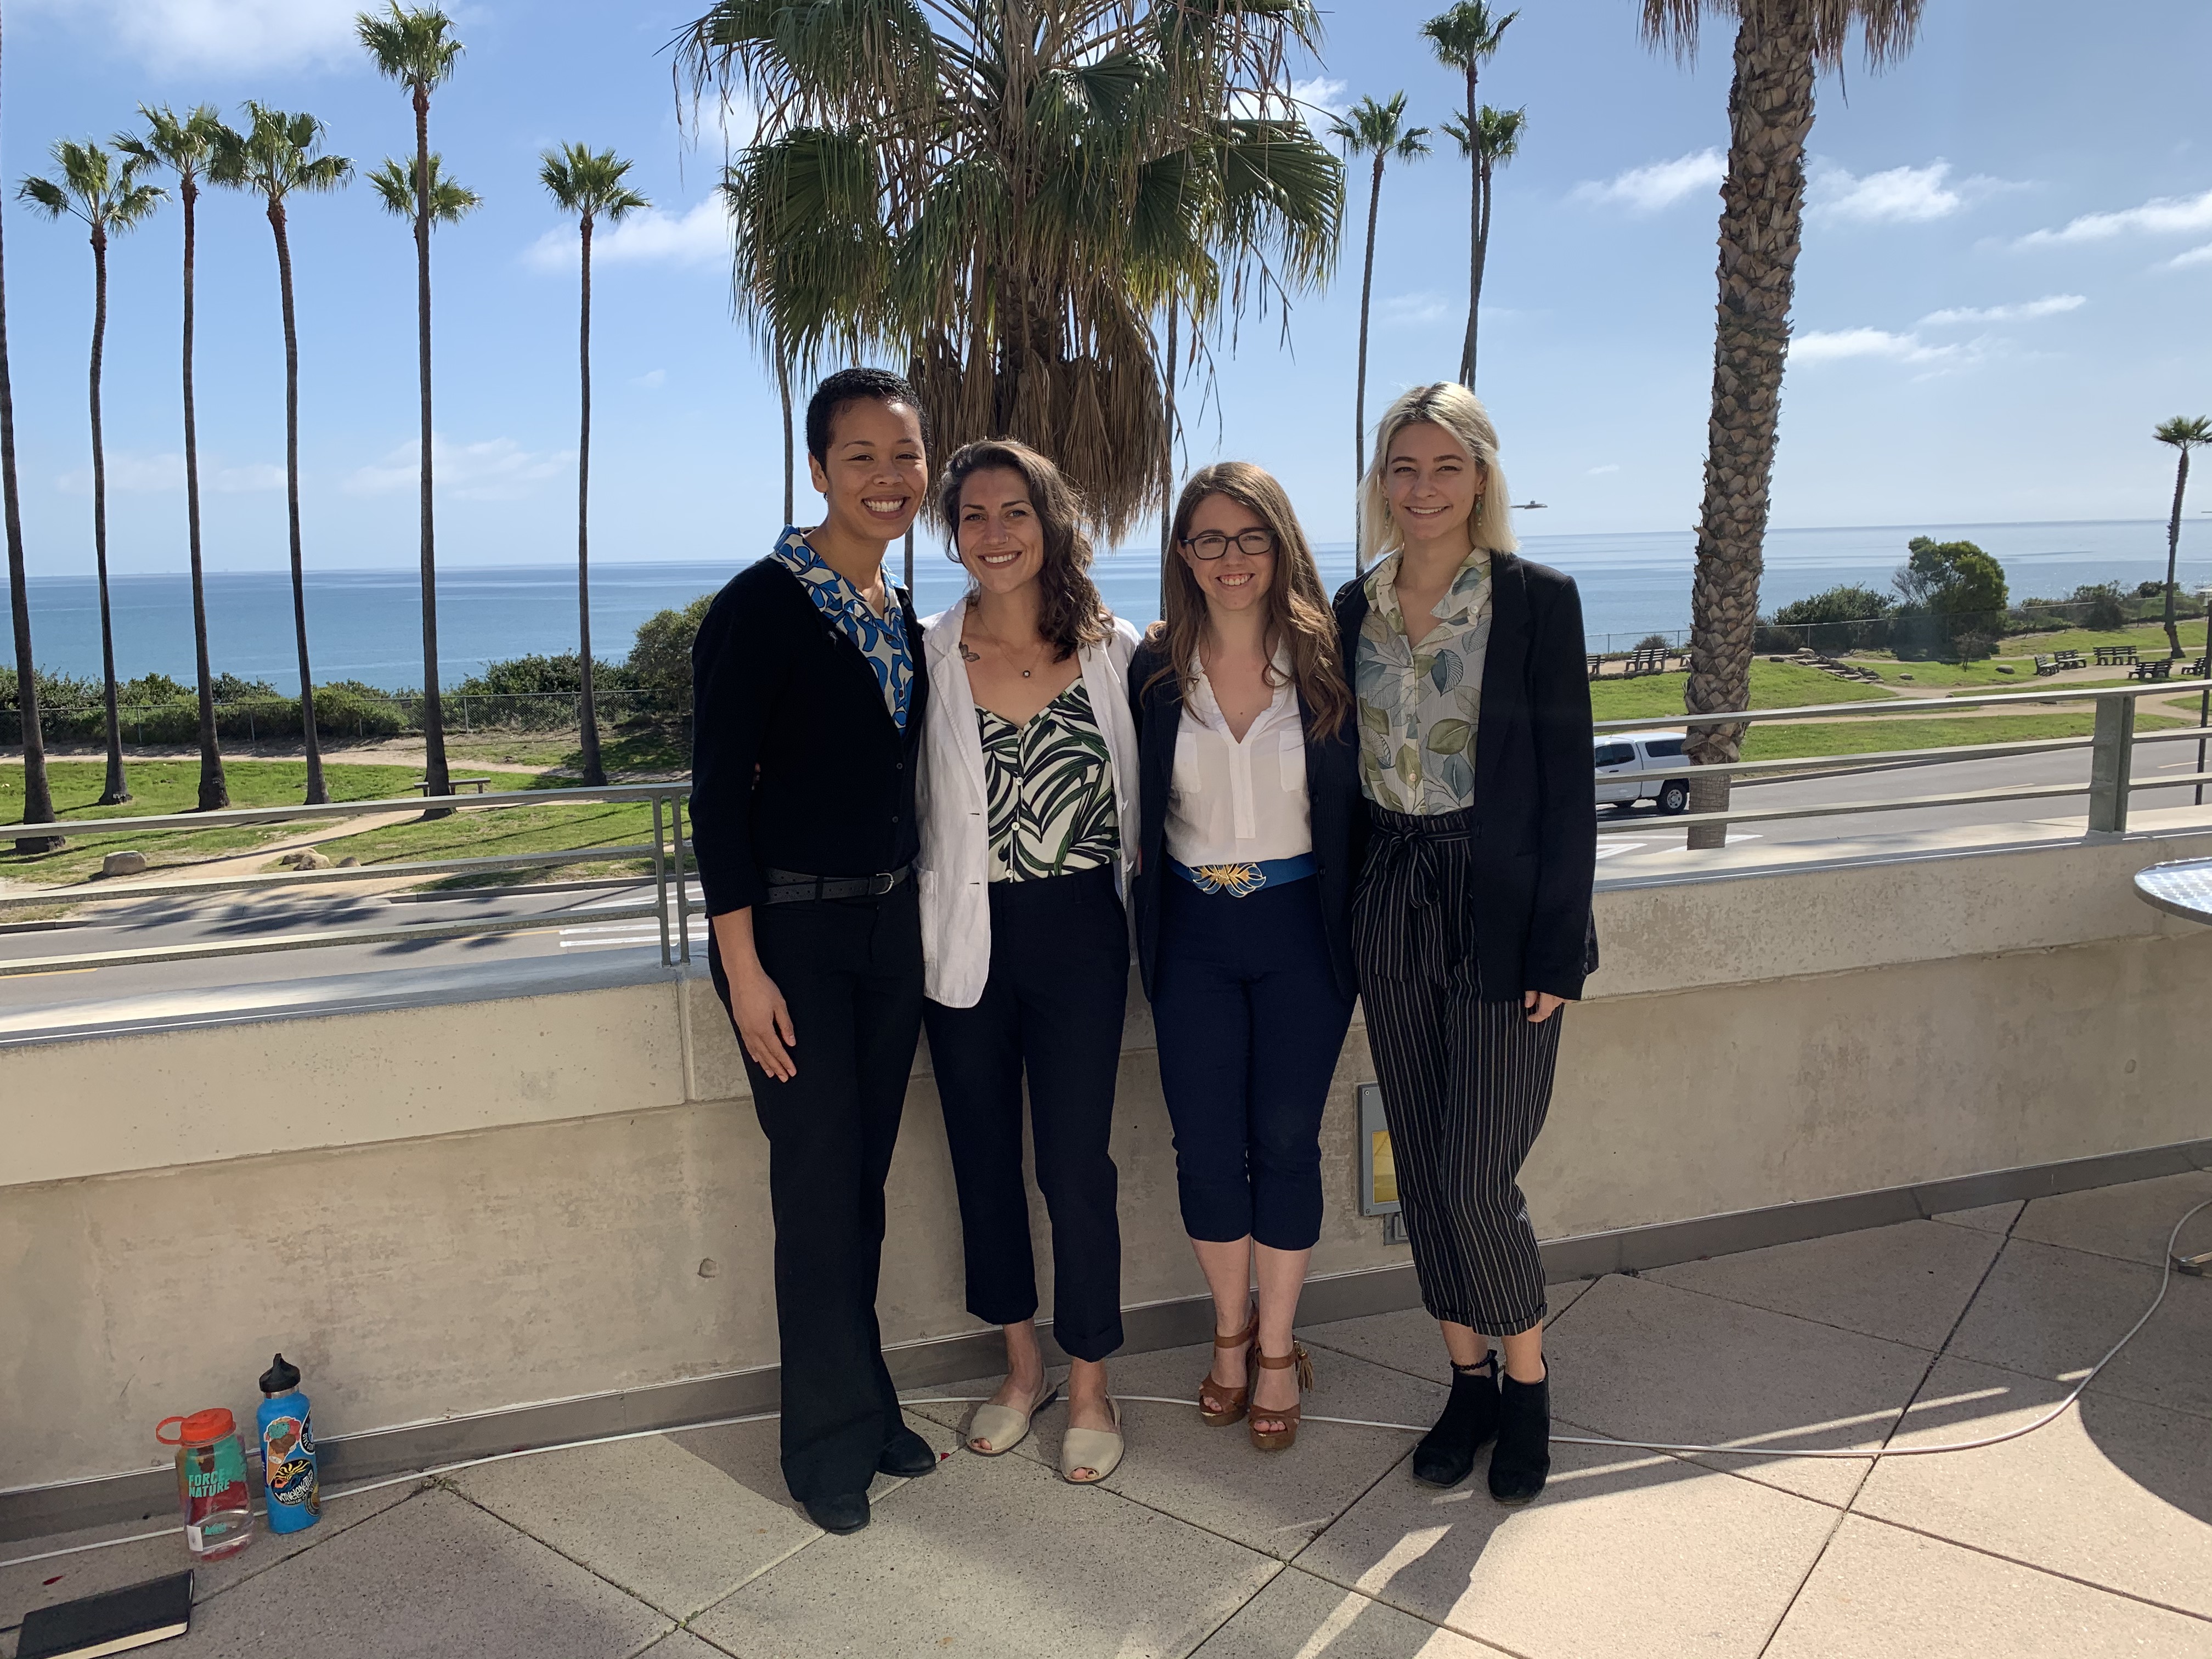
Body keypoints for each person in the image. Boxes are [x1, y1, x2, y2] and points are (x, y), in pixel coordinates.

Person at [1335, 382, 1596, 1506]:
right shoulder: (1355, 605)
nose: (1423, 488)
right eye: (1404, 467)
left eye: (1445, 467)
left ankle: (1528, 1383)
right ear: (1380, 483)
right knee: (1423, 1174)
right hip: (1391, 894)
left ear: (1480, 478)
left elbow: (1570, 789)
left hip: (1498, 906)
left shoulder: (1537, 601)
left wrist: (1555, 954)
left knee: (1478, 1173)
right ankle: (1466, 1381)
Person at [689, 366, 938, 1536]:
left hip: (889, 933)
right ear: (818, 469)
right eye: (863, 458)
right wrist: (741, 970)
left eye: (905, 456)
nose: (889, 479)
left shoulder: (892, 611)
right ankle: (825, 1446)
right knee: (816, 1192)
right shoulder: (759, 607)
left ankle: (868, 1399)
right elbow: (714, 805)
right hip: (789, 939)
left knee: (862, 1187)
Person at [916, 439, 1142, 1485]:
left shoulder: (1113, 649)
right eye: (973, 516)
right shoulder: (927, 653)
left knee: (1074, 1166)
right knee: (982, 1159)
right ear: (951, 531)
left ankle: (1091, 1380)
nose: (995, 534)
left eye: (1015, 513)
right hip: (966, 936)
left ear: (1049, 523)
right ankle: (1023, 1369)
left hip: (1084, 930)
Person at [1127, 462, 1364, 1453]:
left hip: (1302, 927)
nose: (1231, 558)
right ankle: (1227, 1338)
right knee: (1205, 1145)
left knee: (1286, 1141)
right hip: (1191, 931)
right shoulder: (1149, 669)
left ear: (1281, 544)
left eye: (1250, 537)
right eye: (1209, 540)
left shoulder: (1331, 659)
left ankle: (1277, 1348)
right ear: (1184, 553)